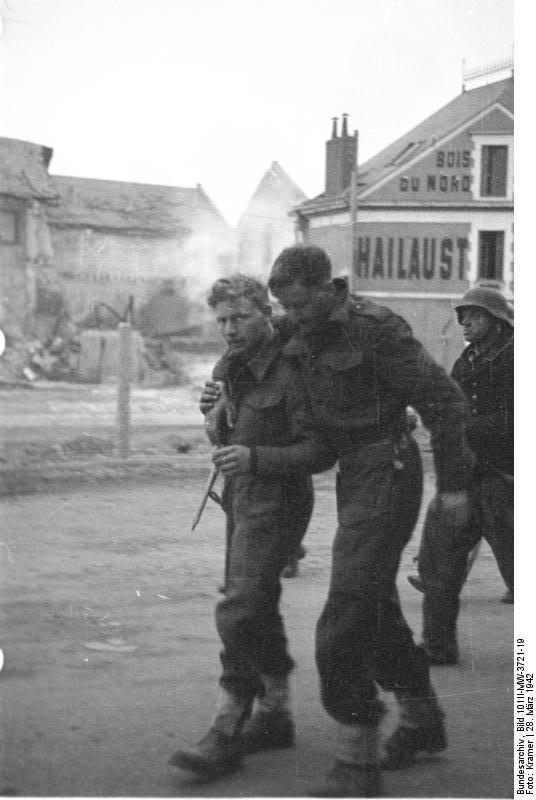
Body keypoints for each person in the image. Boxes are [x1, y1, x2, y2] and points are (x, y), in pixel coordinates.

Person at [267, 245, 473, 797]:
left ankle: (358, 758)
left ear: (325, 286)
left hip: (389, 466)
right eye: (283, 307)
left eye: (297, 304)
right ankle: (421, 721)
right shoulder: (298, 333)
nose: (291, 316)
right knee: (374, 604)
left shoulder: (375, 328)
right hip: (353, 475)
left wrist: (453, 486)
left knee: (346, 612)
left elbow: (445, 402)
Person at [169, 275, 335, 779]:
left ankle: (225, 726)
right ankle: (277, 712)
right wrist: (212, 417)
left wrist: (254, 455)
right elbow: (221, 430)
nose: (229, 329)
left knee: (240, 603)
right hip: (240, 495)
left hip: (280, 496)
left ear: (266, 311)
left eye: (240, 317)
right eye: (221, 320)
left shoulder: (297, 362)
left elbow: (320, 451)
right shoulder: (229, 364)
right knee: (254, 600)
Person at [413, 287, 514, 666]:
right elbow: (449, 404)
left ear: (496, 320)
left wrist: (466, 427)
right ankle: (438, 646)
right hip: (466, 477)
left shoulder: (517, 358)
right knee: (438, 561)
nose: (465, 323)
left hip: (505, 479)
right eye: (462, 317)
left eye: (473, 316)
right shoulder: (466, 360)